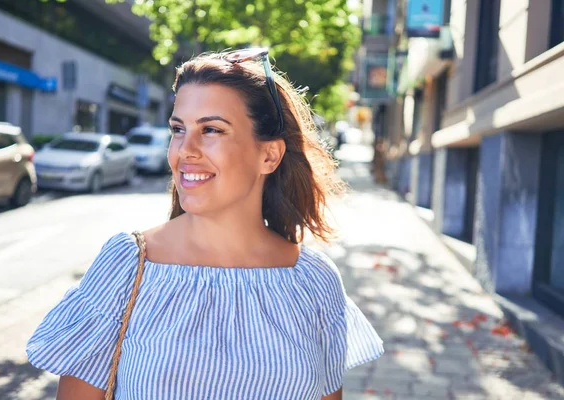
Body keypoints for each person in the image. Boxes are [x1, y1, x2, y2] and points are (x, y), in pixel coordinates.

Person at [26, 48, 384, 400]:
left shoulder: (313, 279)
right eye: (178, 129)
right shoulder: (127, 264)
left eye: (211, 129)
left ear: (269, 155)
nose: (185, 150)